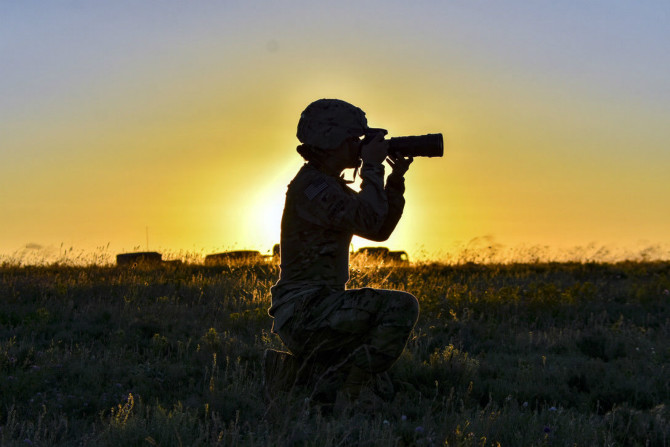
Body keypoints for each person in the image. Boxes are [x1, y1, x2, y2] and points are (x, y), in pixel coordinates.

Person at [264, 98, 419, 413]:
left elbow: (379, 231)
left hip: (318, 308)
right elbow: (371, 221)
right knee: (401, 306)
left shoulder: (325, 185)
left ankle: (303, 373)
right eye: (354, 139)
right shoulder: (314, 189)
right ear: (332, 140)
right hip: (305, 312)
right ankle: (350, 393)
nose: (359, 147)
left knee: (386, 382)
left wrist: (395, 181)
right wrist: (373, 167)